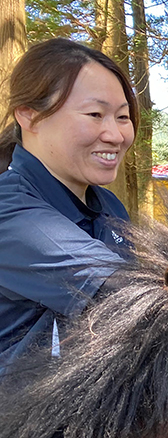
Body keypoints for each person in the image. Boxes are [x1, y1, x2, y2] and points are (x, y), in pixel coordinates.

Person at [0, 38, 136, 372]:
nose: (116, 135)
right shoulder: (9, 210)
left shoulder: (109, 207)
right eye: (95, 114)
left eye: (122, 117)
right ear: (29, 116)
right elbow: (128, 291)